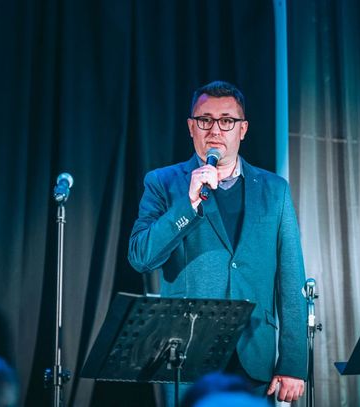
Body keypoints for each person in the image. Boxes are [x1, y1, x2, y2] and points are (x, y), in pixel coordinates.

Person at [128, 80, 307, 403]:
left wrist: (293, 363)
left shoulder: (274, 190)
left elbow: (291, 280)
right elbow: (141, 256)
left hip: (254, 352)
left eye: (226, 121)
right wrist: (188, 204)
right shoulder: (163, 183)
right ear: (191, 127)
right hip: (186, 353)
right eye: (205, 120)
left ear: (242, 129)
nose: (214, 130)